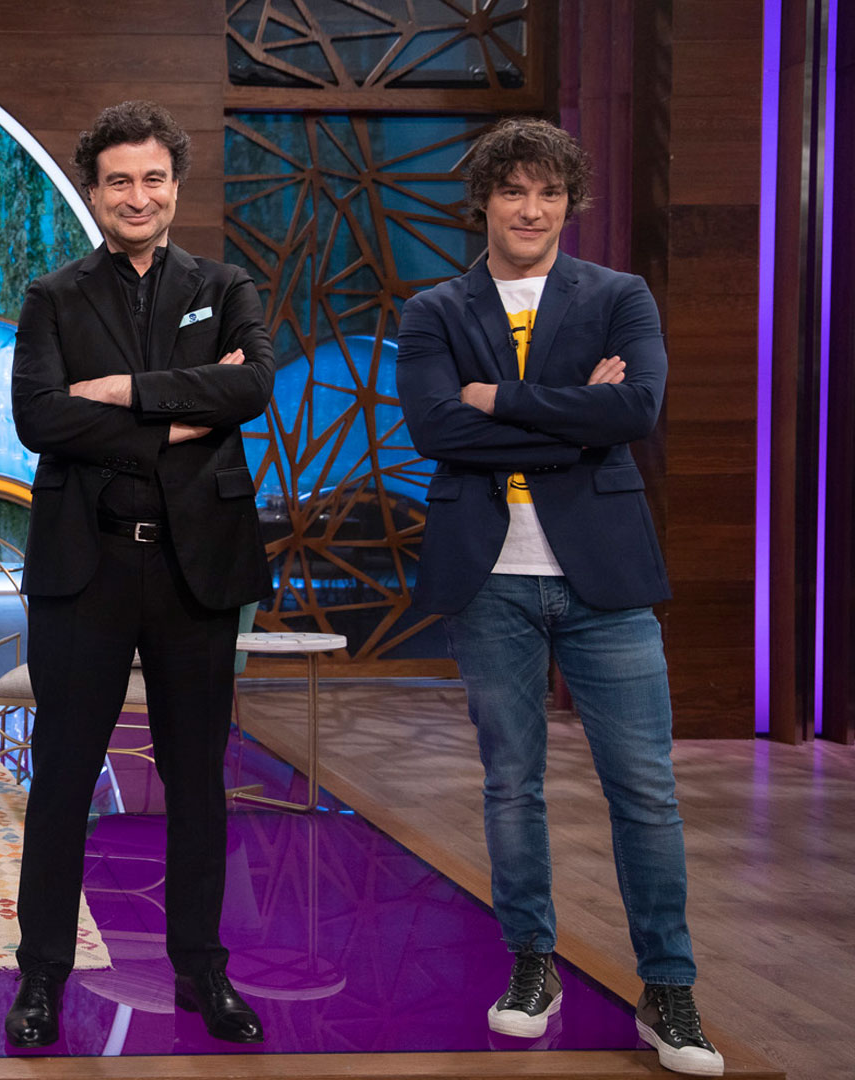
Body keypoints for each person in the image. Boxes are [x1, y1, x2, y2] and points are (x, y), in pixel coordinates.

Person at [395, 117, 722, 1077]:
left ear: (570, 203)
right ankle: (531, 965)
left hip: (604, 579)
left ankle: (669, 990)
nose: (530, 210)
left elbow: (636, 410)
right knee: (512, 784)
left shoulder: (619, 296)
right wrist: (578, 419)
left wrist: (498, 399)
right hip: (490, 579)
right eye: (512, 191)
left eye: (548, 192)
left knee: (645, 790)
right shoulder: (435, 309)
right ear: (484, 202)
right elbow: (434, 430)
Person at [6, 100, 275, 1050]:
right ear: (93, 192)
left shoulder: (224, 285)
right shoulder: (52, 296)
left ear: (174, 188)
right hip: (86, 565)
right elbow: (40, 417)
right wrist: (181, 422)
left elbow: (252, 385)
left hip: (196, 566)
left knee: (197, 778)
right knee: (63, 777)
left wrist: (124, 393)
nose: (137, 195)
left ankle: (202, 970)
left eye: (152, 178)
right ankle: (42, 975)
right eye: (118, 180)